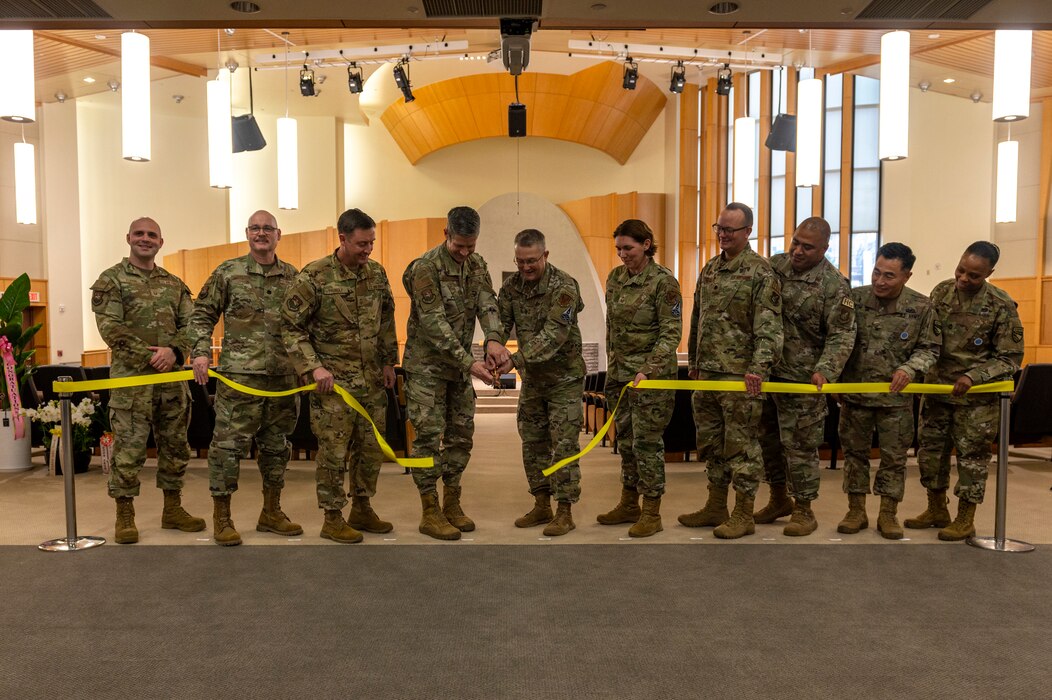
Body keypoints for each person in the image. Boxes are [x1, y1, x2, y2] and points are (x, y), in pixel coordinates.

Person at [282, 208, 398, 544]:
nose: (367, 250)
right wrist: (313, 366)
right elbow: (290, 327)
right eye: (362, 243)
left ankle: (362, 507)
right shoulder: (314, 277)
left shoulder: (376, 274)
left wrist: (389, 362)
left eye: (371, 243)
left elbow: (387, 320)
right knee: (333, 452)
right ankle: (332, 517)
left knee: (370, 449)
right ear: (342, 238)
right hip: (333, 386)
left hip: (372, 382)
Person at [188, 210, 301, 546]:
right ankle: (222, 517)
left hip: (282, 379)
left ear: (278, 235)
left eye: (268, 228)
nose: (261, 233)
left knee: (277, 448)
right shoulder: (228, 272)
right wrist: (200, 352)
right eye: (255, 228)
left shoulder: (293, 277)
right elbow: (202, 314)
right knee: (227, 449)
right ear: (247, 234)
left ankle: (271, 512)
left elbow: (305, 323)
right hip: (240, 380)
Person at [90, 217, 205, 544]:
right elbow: (111, 328)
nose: (145, 239)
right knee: (128, 452)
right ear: (128, 238)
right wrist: (150, 356)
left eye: (151, 235)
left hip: (171, 384)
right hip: (131, 384)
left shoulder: (174, 284)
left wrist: (174, 352)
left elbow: (192, 325)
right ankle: (125, 515)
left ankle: (173, 509)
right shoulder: (112, 280)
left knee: (175, 448)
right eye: (139, 234)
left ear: (160, 242)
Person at [402, 205, 509, 540]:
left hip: (459, 369)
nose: (464, 253)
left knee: (461, 435)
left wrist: (493, 339)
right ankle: (429, 509)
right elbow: (434, 325)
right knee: (428, 438)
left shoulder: (477, 265)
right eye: (459, 245)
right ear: (445, 233)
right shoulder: (426, 268)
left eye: (470, 246)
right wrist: (470, 362)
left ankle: (452, 502)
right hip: (427, 369)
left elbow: (488, 304)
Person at [678, 202, 783, 539]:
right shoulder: (710, 269)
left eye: (730, 230)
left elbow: (769, 327)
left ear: (747, 232)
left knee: (741, 446)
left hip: (740, 377)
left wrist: (758, 368)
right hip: (707, 374)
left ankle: (743, 512)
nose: (722, 234)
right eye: (719, 228)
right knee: (711, 443)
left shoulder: (760, 272)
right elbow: (698, 319)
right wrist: (693, 362)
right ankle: (715, 505)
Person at [909, 241, 1024, 540]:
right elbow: (929, 339)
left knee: (972, 460)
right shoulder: (941, 292)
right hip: (937, 391)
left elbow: (1009, 358)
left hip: (977, 400)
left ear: (989, 273)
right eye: (961, 269)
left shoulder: (1001, 305)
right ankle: (936, 508)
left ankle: (965, 518)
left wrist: (974, 376)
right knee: (930, 454)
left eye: (974, 275)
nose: (963, 278)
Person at [754, 216, 856, 536]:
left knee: (799, 447)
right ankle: (778, 498)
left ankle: (804, 509)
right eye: (795, 242)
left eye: (807, 247)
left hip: (803, 379)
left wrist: (825, 370)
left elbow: (842, 335)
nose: (797, 251)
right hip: (767, 373)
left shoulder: (833, 285)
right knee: (767, 442)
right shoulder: (774, 266)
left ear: (825, 249)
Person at [836, 243, 940, 539]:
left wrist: (910, 368)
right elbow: (839, 340)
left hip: (895, 402)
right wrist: (836, 378)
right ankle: (855, 510)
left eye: (889, 276)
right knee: (854, 455)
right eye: (876, 272)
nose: (880, 281)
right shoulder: (853, 300)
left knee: (894, 458)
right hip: (855, 397)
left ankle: (888, 513)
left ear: (907, 276)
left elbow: (930, 348)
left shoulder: (921, 308)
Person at [495, 229, 586, 537]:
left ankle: (564, 511)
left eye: (531, 261)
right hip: (533, 380)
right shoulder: (510, 287)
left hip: (564, 380)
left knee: (563, 446)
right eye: (520, 262)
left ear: (545, 255)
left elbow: (554, 335)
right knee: (532, 443)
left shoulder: (564, 287)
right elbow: (500, 324)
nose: (525, 268)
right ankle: (541, 504)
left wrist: (513, 360)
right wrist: (493, 347)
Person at [595, 219, 682, 538]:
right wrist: (613, 368)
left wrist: (649, 367)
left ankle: (651, 511)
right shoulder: (615, 279)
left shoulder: (663, 282)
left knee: (647, 444)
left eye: (628, 248)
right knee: (627, 443)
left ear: (646, 244)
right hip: (620, 376)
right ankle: (629, 502)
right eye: (618, 249)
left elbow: (671, 331)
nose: (622, 255)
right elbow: (611, 329)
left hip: (651, 379)